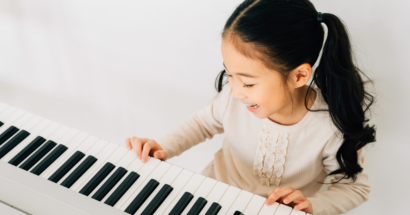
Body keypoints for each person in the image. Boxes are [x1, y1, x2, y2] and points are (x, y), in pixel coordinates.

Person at [125, 0, 377, 214]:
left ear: (299, 76)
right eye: (229, 74)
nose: (235, 91)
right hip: (211, 197)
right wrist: (165, 147)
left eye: (247, 82)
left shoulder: (331, 129)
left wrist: (312, 204)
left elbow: (355, 187)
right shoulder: (233, 98)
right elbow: (202, 124)